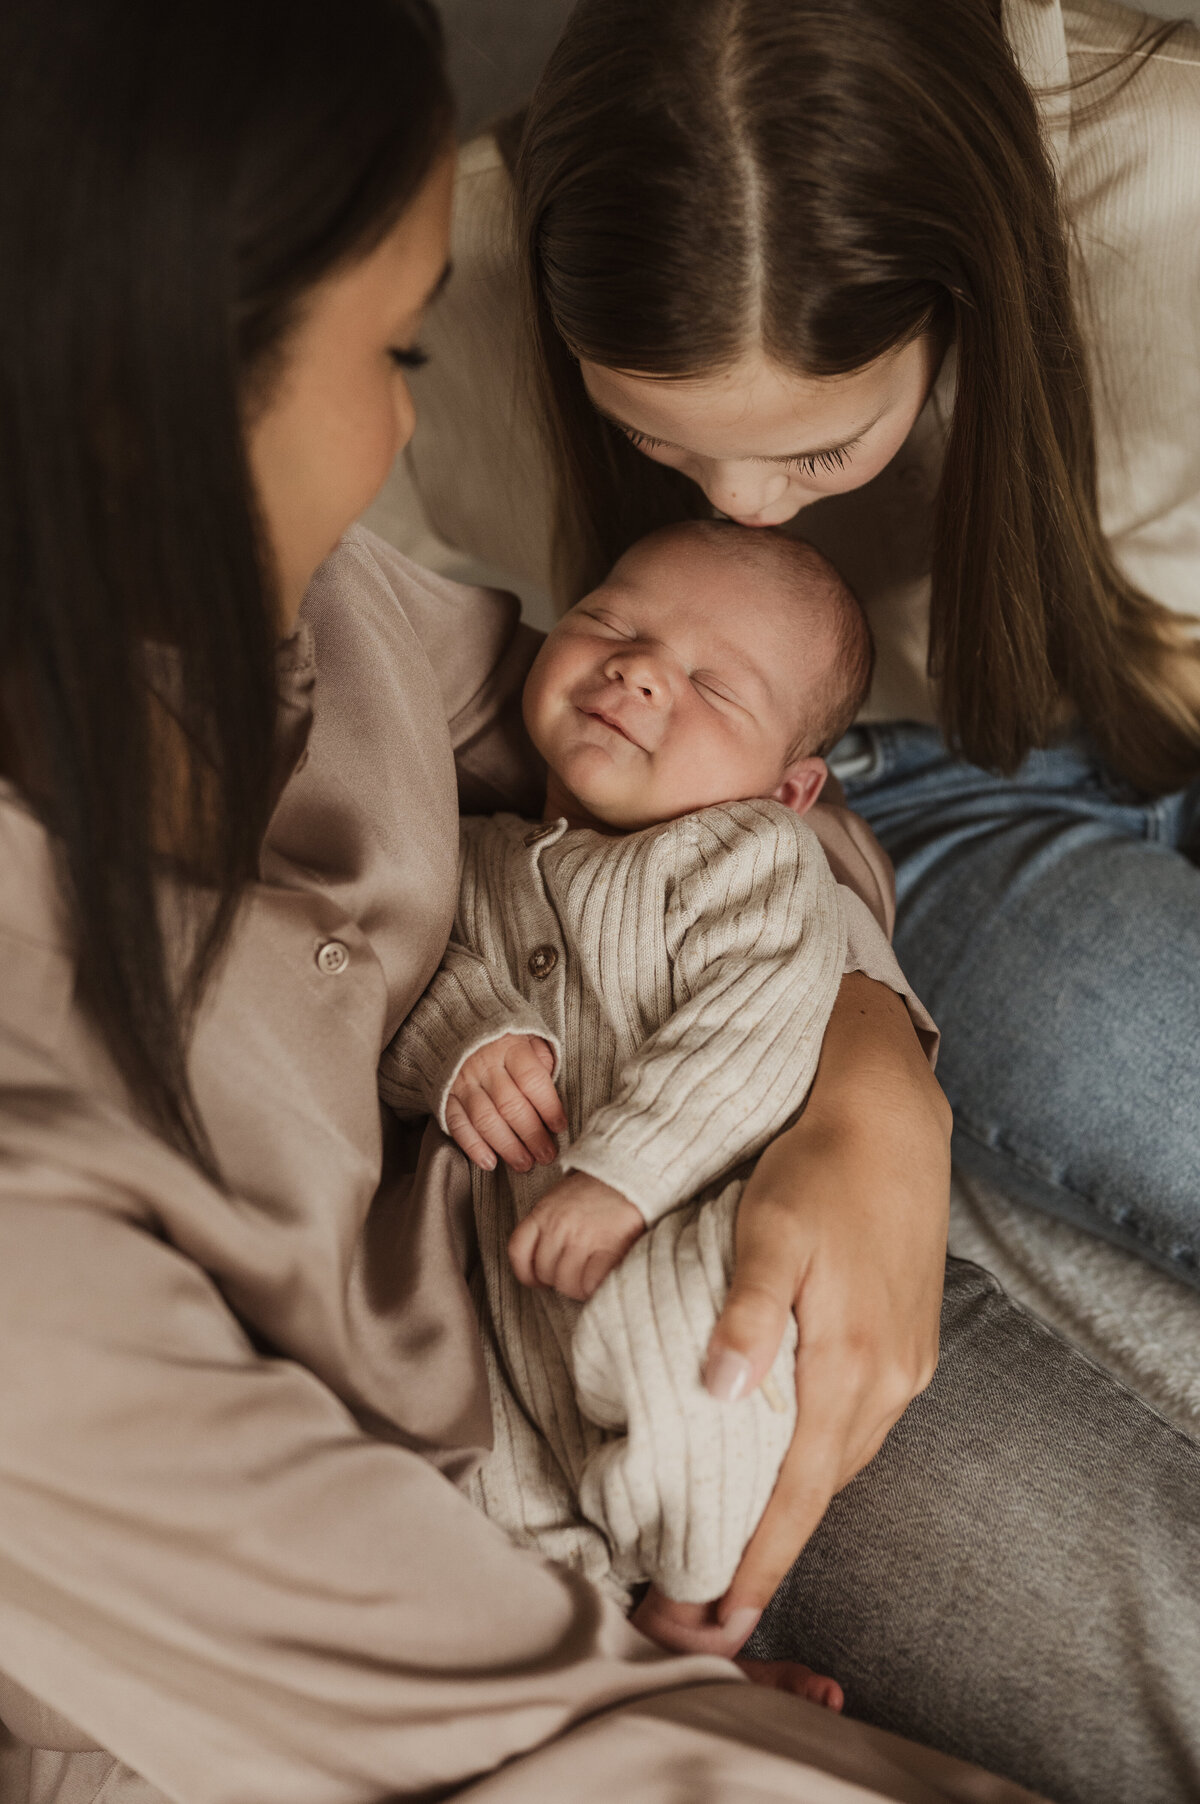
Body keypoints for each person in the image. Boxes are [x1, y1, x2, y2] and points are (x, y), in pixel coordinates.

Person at [0, 3, 1197, 1804]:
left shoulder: (351, 615)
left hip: (675, 1259)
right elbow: (457, 1706)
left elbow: (747, 808)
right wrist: (691, 1690)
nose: (412, 418)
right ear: (147, 395)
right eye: (401, 340)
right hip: (502, 1486)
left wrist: (879, 1060)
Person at [383, 522, 904, 1705]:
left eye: (715, 683)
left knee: (694, 1362)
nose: (641, 669)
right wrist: (461, 1046)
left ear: (790, 785)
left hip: (684, 1229)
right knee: (481, 1501)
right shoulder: (461, 853)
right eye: (613, 622)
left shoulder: (752, 857)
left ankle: (688, 1610)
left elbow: (761, 1026)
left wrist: (626, 1172)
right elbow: (393, 977)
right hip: (499, 1322)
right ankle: (609, 1674)